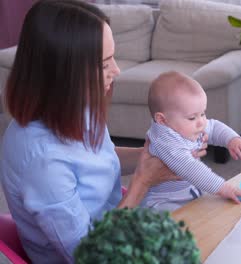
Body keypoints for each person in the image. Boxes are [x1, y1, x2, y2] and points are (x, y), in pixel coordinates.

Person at [0, 1, 202, 262]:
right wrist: (143, 180)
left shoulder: (75, 106)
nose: (117, 71)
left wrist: (154, 154)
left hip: (119, 224)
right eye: (105, 63)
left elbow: (100, 159)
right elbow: (88, 254)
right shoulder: (41, 159)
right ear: (65, 71)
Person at [142, 71, 241, 211]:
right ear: (162, 120)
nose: (201, 122)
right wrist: (223, 187)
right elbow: (192, 169)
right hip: (165, 200)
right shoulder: (165, 141)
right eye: (192, 118)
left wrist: (232, 139)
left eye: (203, 113)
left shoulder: (188, 125)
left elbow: (213, 127)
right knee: (177, 226)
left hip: (191, 189)